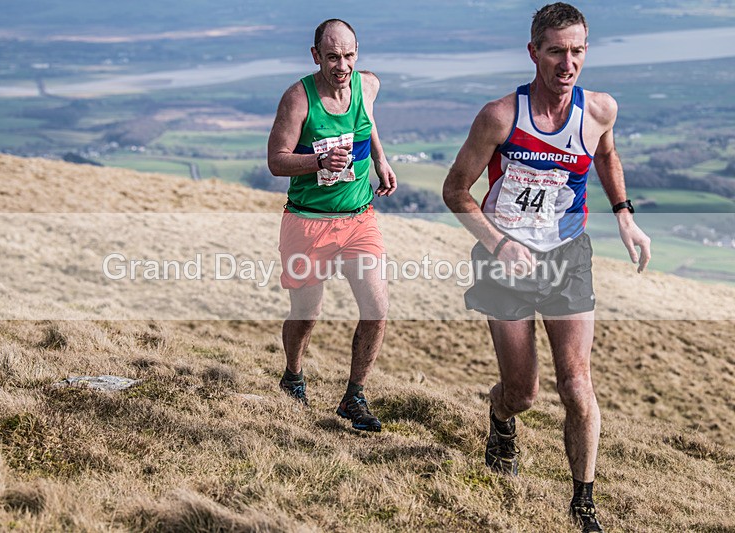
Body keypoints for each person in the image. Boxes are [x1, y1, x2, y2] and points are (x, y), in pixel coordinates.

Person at [442, 3, 650, 532]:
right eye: (556, 50)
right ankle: (500, 417)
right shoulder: (500, 117)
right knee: (523, 393)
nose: (568, 62)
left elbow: (605, 153)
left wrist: (624, 215)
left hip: (567, 257)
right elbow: (455, 190)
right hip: (503, 261)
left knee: (577, 386)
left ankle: (583, 504)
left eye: (578, 50)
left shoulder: (600, 109)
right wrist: (496, 243)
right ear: (533, 52)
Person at [267, 19, 397, 432]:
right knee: (307, 313)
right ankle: (293, 375)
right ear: (316, 56)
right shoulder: (298, 99)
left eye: (349, 56)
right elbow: (276, 160)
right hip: (308, 221)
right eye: (333, 57)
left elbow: (368, 120)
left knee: (377, 309)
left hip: (359, 218)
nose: (343, 66)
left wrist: (380, 160)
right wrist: (317, 162)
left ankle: (354, 396)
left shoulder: (368, 84)